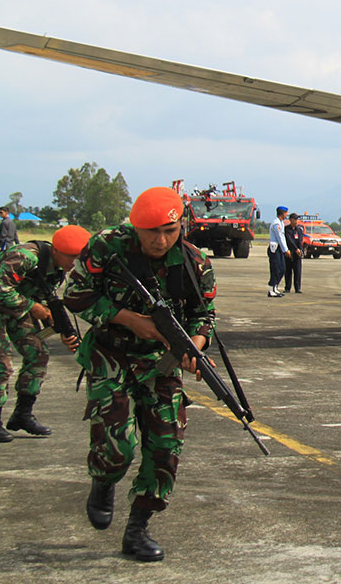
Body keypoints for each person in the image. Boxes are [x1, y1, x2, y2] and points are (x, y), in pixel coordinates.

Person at [63, 186, 217, 562]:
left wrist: (194, 346)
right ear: (135, 227)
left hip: (161, 362)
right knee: (117, 447)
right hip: (110, 354)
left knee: (165, 448)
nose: (161, 240)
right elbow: (74, 293)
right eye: (151, 232)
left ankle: (138, 528)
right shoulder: (106, 247)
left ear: (181, 224)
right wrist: (130, 320)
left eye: (169, 230)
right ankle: (104, 479)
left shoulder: (194, 262)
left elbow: (205, 315)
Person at [0, 225, 89, 443]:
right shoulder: (25, 257)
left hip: (16, 308)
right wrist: (33, 307)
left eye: (79, 258)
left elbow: (44, 297)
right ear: (55, 251)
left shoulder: (59, 270)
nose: (74, 263)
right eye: (71, 257)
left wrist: (59, 325)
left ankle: (22, 414)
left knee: (37, 353)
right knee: (1, 362)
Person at [268, 206, 290, 297]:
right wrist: (286, 250)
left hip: (279, 248)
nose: (287, 214)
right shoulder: (276, 223)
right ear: (283, 213)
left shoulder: (281, 223)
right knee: (275, 269)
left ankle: (275, 287)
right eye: (286, 213)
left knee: (282, 269)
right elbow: (280, 238)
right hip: (275, 248)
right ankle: (271, 289)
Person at [283, 213, 304, 294]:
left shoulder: (299, 230)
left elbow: (300, 241)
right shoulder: (287, 229)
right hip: (289, 252)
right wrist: (295, 249)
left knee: (297, 271)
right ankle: (287, 287)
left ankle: (297, 288)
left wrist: (300, 250)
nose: (295, 221)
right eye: (294, 219)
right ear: (290, 220)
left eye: (296, 219)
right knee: (288, 271)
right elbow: (289, 240)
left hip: (297, 254)